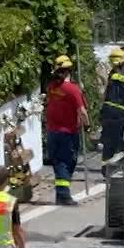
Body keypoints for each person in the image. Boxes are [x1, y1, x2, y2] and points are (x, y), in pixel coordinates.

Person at [42, 56, 85, 205]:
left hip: (53, 132)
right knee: (66, 162)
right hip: (68, 132)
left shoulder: (51, 87)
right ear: (69, 71)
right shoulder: (72, 89)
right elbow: (82, 111)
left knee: (60, 162)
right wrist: (87, 125)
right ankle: (63, 195)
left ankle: (62, 193)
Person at [99, 48, 124, 162]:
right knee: (123, 144)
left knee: (108, 144)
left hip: (107, 113)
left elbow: (104, 93)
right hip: (122, 116)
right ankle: (121, 169)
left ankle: (106, 169)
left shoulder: (111, 74)